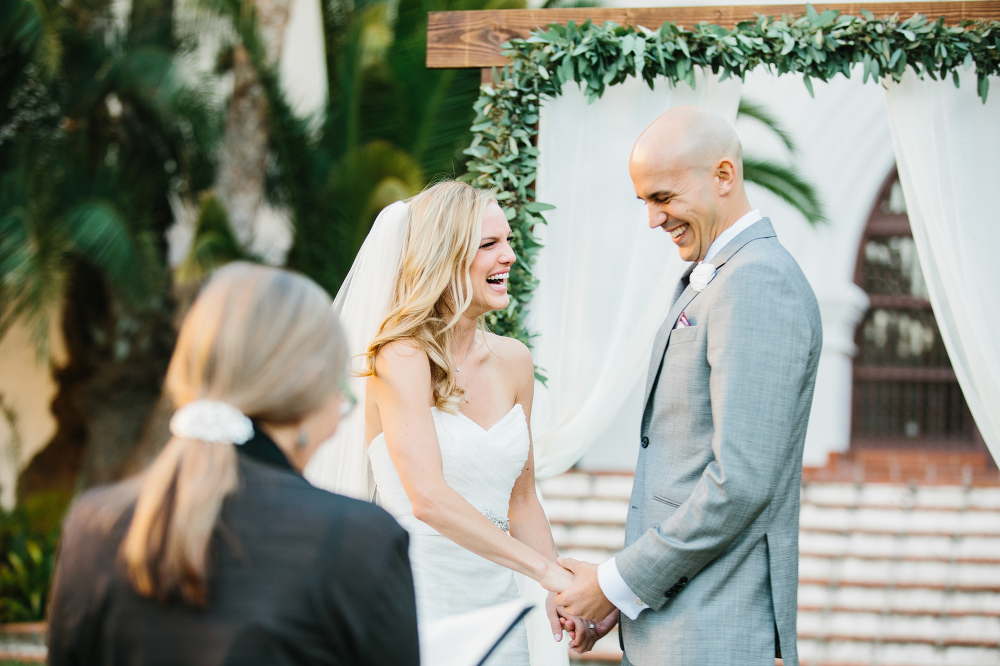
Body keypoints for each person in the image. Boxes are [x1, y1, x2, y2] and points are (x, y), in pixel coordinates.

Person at [554, 106, 823, 666]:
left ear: (723, 176)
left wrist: (613, 581)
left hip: (715, 635)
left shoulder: (757, 281)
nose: (653, 220)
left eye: (663, 198)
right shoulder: (721, 275)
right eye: (644, 202)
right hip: (679, 627)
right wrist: (620, 603)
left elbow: (740, 483)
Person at [47, 262, 419, 666]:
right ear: (310, 388)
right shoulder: (359, 542)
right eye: (340, 392)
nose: (339, 413)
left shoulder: (92, 527)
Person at [309, 181, 596, 664]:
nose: (509, 256)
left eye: (507, 241)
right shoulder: (400, 356)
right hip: (423, 598)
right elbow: (429, 499)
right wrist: (549, 573)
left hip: (501, 599)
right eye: (488, 245)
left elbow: (522, 501)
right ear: (442, 257)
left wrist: (558, 594)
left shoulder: (514, 362)